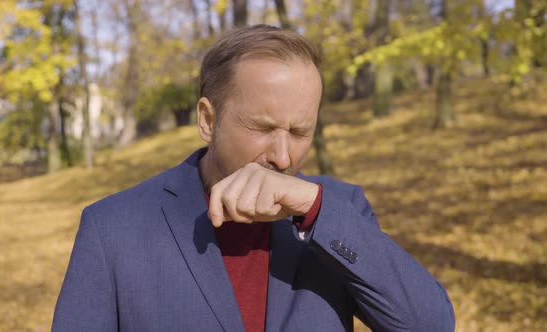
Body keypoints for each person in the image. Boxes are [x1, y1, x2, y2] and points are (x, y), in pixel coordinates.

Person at [52, 25, 455, 332]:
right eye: (262, 129)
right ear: (208, 120)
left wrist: (315, 210)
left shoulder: (339, 209)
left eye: (300, 133)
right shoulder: (113, 227)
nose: (283, 157)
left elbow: (430, 325)